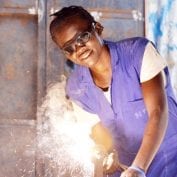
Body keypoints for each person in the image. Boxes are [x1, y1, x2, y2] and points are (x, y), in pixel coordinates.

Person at [49, 5, 177, 177]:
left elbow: (158, 112)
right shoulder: (77, 88)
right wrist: (106, 155)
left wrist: (139, 168)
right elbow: (98, 137)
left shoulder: (138, 53)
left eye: (82, 38)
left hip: (169, 158)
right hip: (126, 169)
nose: (79, 49)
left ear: (98, 28)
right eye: (69, 48)